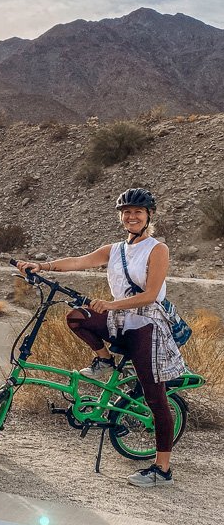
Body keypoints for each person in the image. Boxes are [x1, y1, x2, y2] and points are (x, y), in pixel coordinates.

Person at [16, 188, 184, 487]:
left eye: (138, 212)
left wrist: (110, 305)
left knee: (155, 396)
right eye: (126, 212)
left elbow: (150, 295)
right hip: (121, 320)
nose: (131, 216)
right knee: (76, 315)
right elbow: (79, 261)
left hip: (147, 325)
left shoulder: (157, 249)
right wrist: (42, 265)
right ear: (121, 216)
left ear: (149, 216)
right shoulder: (115, 249)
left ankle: (162, 469)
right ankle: (103, 359)